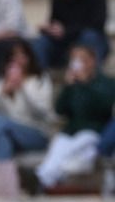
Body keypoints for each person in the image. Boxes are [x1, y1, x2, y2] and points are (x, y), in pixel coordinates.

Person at [35, 46, 115, 190]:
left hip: (94, 132)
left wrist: (85, 84)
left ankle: (56, 175)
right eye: (75, 59)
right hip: (71, 132)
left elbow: (105, 106)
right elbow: (60, 110)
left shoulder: (107, 83)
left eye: (83, 59)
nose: (79, 63)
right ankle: (45, 179)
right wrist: (68, 86)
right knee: (57, 151)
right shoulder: (73, 84)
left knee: (84, 145)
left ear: (92, 61)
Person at [0, 39, 53, 159]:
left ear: (29, 57)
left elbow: (42, 112)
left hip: (36, 133)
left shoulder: (40, 78)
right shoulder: (2, 80)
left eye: (22, 55)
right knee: (3, 140)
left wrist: (22, 88)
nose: (18, 59)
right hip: (9, 132)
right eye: (14, 56)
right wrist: (3, 91)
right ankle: (3, 178)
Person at [31, 0, 108, 70]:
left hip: (89, 41)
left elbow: (97, 24)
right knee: (41, 43)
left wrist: (66, 30)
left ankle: (83, 78)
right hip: (64, 44)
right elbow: (55, 20)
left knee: (90, 36)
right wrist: (49, 29)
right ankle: (38, 81)